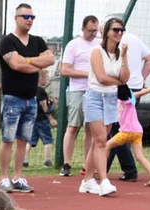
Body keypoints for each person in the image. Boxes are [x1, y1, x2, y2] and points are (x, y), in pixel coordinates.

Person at [0, 3, 54, 193]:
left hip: (32, 99)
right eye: (25, 17)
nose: (29, 20)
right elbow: (16, 65)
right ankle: (4, 177)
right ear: (16, 18)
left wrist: (28, 61)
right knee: (8, 139)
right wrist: (36, 63)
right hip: (13, 97)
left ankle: (18, 176)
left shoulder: (38, 41)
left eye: (32, 17)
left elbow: (50, 60)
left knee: (23, 140)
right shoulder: (6, 42)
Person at [80, 17, 129, 197]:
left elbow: (125, 77)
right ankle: (104, 180)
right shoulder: (96, 51)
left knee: (98, 142)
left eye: (121, 30)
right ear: (107, 32)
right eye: (115, 29)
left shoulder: (119, 54)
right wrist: (118, 82)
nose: (119, 33)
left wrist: (124, 57)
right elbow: (101, 77)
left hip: (110, 98)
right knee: (101, 140)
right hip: (95, 96)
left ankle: (87, 181)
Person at [105, 27, 150, 182]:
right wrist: (142, 78)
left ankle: (118, 169)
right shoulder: (135, 39)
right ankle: (123, 169)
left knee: (116, 130)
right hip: (134, 86)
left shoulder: (113, 44)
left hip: (121, 86)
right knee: (117, 130)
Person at [58, 15, 99, 177]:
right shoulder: (73, 45)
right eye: (90, 31)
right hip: (77, 90)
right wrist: (86, 74)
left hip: (95, 90)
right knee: (73, 126)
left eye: (95, 31)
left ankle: (87, 165)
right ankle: (66, 163)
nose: (93, 34)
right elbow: (64, 70)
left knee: (91, 129)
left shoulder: (99, 44)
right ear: (83, 29)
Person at [105, 84, 150, 186]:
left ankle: (101, 174)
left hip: (126, 132)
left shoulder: (117, 101)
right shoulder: (131, 99)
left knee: (107, 146)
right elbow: (143, 92)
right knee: (140, 156)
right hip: (137, 131)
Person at [24, 70, 56, 167]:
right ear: (40, 79)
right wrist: (51, 118)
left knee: (30, 140)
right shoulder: (41, 91)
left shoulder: (30, 89)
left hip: (31, 119)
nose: (46, 80)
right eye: (45, 78)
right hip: (42, 120)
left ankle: (24, 159)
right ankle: (47, 160)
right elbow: (44, 106)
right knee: (48, 140)